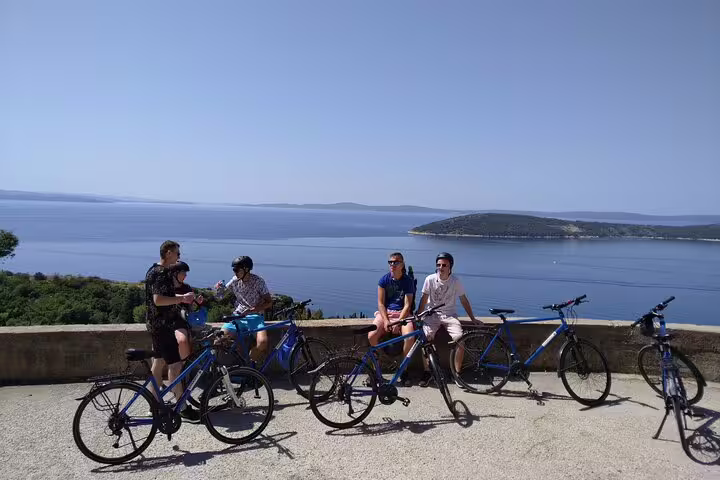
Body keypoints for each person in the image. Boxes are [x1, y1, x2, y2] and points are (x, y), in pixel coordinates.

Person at [144, 241, 200, 422]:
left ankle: (153, 404)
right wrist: (183, 297)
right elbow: (158, 300)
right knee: (175, 366)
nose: (179, 256)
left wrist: (182, 298)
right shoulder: (162, 273)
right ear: (168, 253)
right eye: (177, 253)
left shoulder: (153, 270)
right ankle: (181, 407)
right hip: (164, 326)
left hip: (155, 324)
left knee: (158, 363)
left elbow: (163, 296)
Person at [416, 252, 481, 388]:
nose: (440, 267)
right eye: (438, 265)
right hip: (432, 315)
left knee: (460, 339)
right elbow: (423, 299)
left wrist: (473, 318)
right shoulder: (430, 279)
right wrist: (419, 315)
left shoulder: (455, 281)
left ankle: (457, 373)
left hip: (450, 315)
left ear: (450, 266)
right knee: (425, 338)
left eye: (444, 265)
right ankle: (427, 372)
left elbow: (464, 300)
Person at [368, 252, 416, 387]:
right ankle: (376, 370)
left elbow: (407, 305)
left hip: (403, 315)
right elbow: (381, 303)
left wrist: (398, 322)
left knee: (409, 338)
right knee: (371, 335)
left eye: (396, 262)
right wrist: (387, 320)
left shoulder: (408, 281)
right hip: (386, 314)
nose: (393, 265)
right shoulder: (383, 280)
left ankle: (404, 370)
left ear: (402, 264)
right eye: (390, 262)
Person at [215, 256, 273, 364]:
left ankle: (249, 365)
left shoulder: (258, 281)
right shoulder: (235, 280)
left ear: (246, 269)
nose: (235, 272)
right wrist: (219, 289)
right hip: (238, 316)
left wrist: (253, 310)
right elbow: (220, 296)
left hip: (255, 317)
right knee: (218, 341)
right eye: (234, 270)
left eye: (237, 270)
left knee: (262, 342)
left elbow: (269, 302)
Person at [168, 261, 204, 358]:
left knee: (182, 341)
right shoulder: (167, 288)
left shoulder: (186, 287)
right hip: (166, 319)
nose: (185, 276)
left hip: (181, 320)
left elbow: (191, 308)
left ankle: (185, 368)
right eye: (183, 273)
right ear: (175, 273)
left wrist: (197, 302)